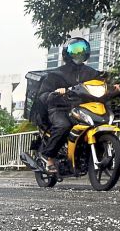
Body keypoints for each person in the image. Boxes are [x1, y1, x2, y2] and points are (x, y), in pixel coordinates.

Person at [36, 37, 101, 172]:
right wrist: (54, 93)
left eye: (82, 49)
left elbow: (101, 85)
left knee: (97, 122)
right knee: (63, 125)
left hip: (81, 108)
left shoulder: (91, 73)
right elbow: (42, 94)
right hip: (59, 108)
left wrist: (114, 87)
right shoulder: (56, 74)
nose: (79, 53)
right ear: (67, 52)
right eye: (75, 50)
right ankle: (49, 157)